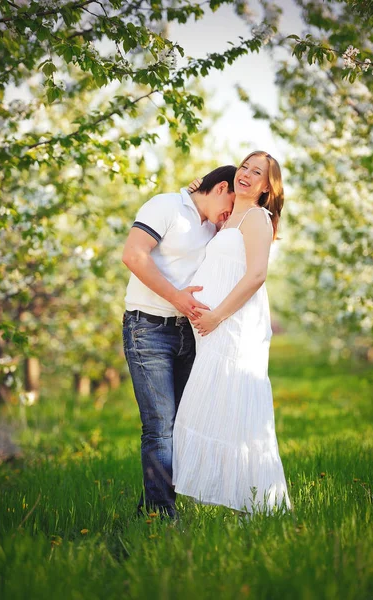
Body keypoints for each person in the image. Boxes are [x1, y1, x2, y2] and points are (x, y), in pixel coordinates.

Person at [172, 151, 292, 514]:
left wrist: (217, 318)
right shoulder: (227, 216)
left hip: (234, 326)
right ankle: (242, 502)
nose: (247, 174)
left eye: (258, 172)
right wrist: (196, 189)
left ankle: (258, 507)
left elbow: (256, 276)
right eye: (245, 166)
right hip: (214, 330)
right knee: (222, 407)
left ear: (267, 187)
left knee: (240, 408)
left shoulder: (256, 217)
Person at [121, 166, 237, 518]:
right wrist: (177, 298)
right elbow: (133, 255)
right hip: (149, 329)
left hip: (188, 333)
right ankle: (162, 516)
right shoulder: (166, 205)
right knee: (159, 428)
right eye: (232, 201)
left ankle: (150, 509)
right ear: (220, 187)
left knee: (182, 425)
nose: (231, 213)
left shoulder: (212, 226)